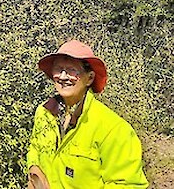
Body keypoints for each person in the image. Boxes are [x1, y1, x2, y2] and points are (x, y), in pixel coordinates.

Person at [27, 39, 149, 189]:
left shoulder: (113, 129)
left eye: (72, 70)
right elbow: (35, 148)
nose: (63, 77)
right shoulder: (44, 113)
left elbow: (129, 185)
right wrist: (34, 168)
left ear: (89, 78)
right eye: (58, 69)